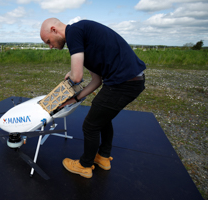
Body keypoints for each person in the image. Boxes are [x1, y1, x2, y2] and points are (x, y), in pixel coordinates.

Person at [40, 18, 146, 178]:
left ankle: (85, 165)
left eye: (48, 41)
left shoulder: (74, 31)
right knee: (101, 115)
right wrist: (74, 100)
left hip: (124, 82)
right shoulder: (84, 39)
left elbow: (76, 77)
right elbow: (97, 80)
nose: (50, 46)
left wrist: (71, 76)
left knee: (90, 125)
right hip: (127, 81)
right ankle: (103, 157)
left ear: (54, 30)